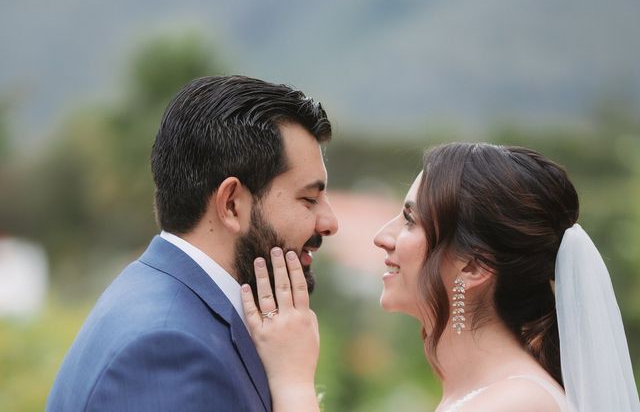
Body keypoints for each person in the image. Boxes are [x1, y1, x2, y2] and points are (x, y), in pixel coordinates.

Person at [242, 142, 640, 412]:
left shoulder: (517, 403)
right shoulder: (484, 394)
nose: (383, 237)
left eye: (411, 220)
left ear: (474, 266)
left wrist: (293, 380)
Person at [46, 75, 339, 412]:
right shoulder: (167, 348)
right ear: (231, 204)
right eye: (309, 199)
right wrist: (294, 386)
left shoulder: (170, 309)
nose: (330, 223)